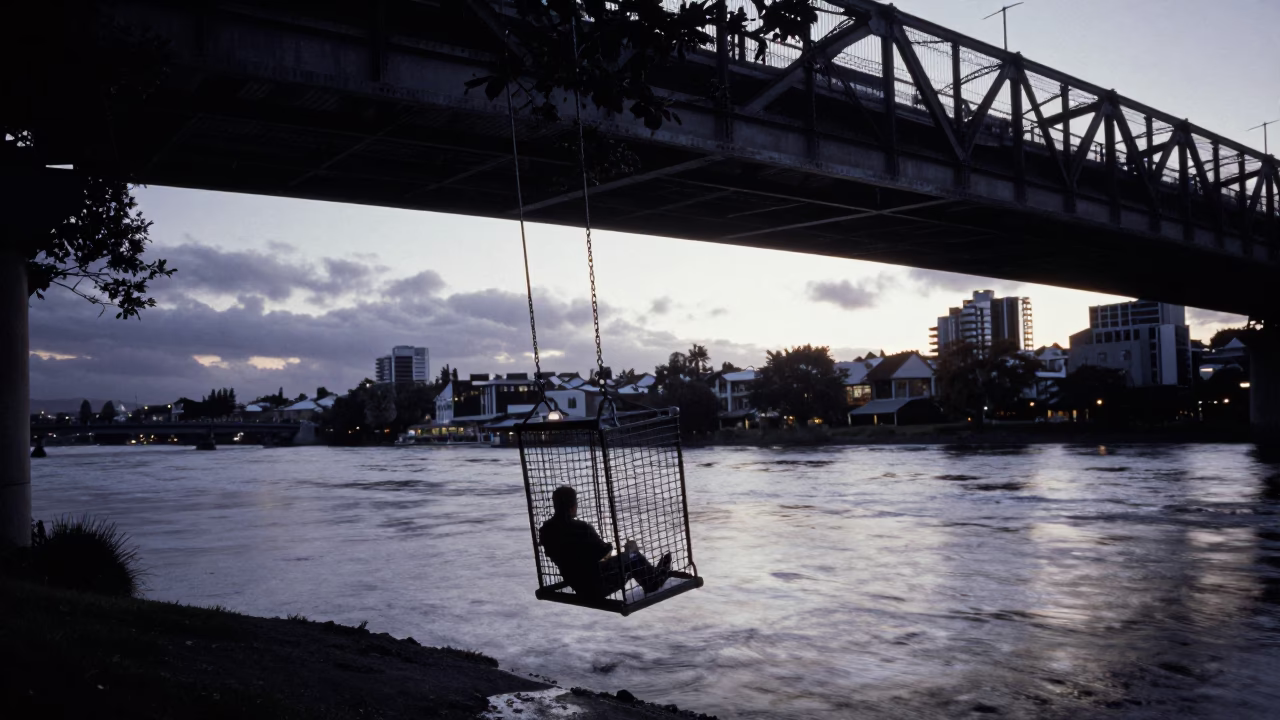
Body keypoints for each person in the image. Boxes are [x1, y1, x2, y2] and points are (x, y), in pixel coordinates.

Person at [539, 485, 671, 600]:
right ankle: (653, 582)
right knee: (632, 557)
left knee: (626, 561)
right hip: (598, 586)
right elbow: (604, 553)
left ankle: (651, 573)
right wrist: (625, 552)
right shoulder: (581, 528)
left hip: (579, 586)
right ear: (572, 506)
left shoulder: (546, 530)